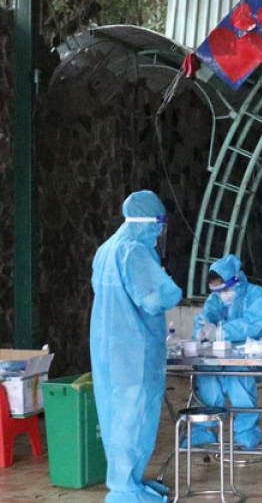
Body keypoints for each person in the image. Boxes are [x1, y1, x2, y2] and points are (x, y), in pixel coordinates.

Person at [90, 191, 183, 503]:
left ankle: (129, 480)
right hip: (133, 350)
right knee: (133, 418)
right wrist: (172, 287)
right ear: (150, 222)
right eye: (159, 226)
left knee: (120, 418)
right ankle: (126, 490)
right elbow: (157, 297)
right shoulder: (133, 252)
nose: (160, 233)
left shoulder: (107, 250)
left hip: (110, 348)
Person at [190, 254, 262, 449]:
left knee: (237, 376)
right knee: (207, 375)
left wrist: (221, 332)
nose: (222, 295)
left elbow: (253, 325)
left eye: (225, 289)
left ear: (237, 281)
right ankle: (204, 430)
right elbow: (204, 318)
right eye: (217, 291)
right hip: (221, 358)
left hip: (254, 359)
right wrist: (201, 331)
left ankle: (246, 432)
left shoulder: (258, 296)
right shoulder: (215, 299)